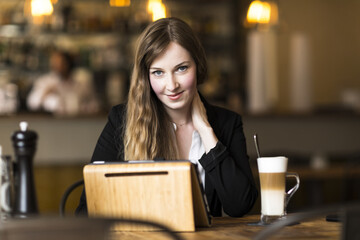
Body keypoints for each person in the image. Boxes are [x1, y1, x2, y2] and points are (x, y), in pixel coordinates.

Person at [76, 17, 258, 217]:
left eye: (181, 68)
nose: (171, 85)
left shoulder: (226, 123)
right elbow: (87, 210)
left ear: (198, 66)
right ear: (146, 76)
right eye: (158, 73)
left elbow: (239, 205)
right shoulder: (122, 120)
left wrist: (206, 130)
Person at [27, 49, 99, 116]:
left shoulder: (81, 82)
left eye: (61, 64)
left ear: (69, 64)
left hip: (79, 122)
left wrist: (85, 109)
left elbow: (94, 105)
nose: (57, 66)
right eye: (55, 63)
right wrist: (45, 94)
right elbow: (32, 104)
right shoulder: (45, 82)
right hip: (52, 123)